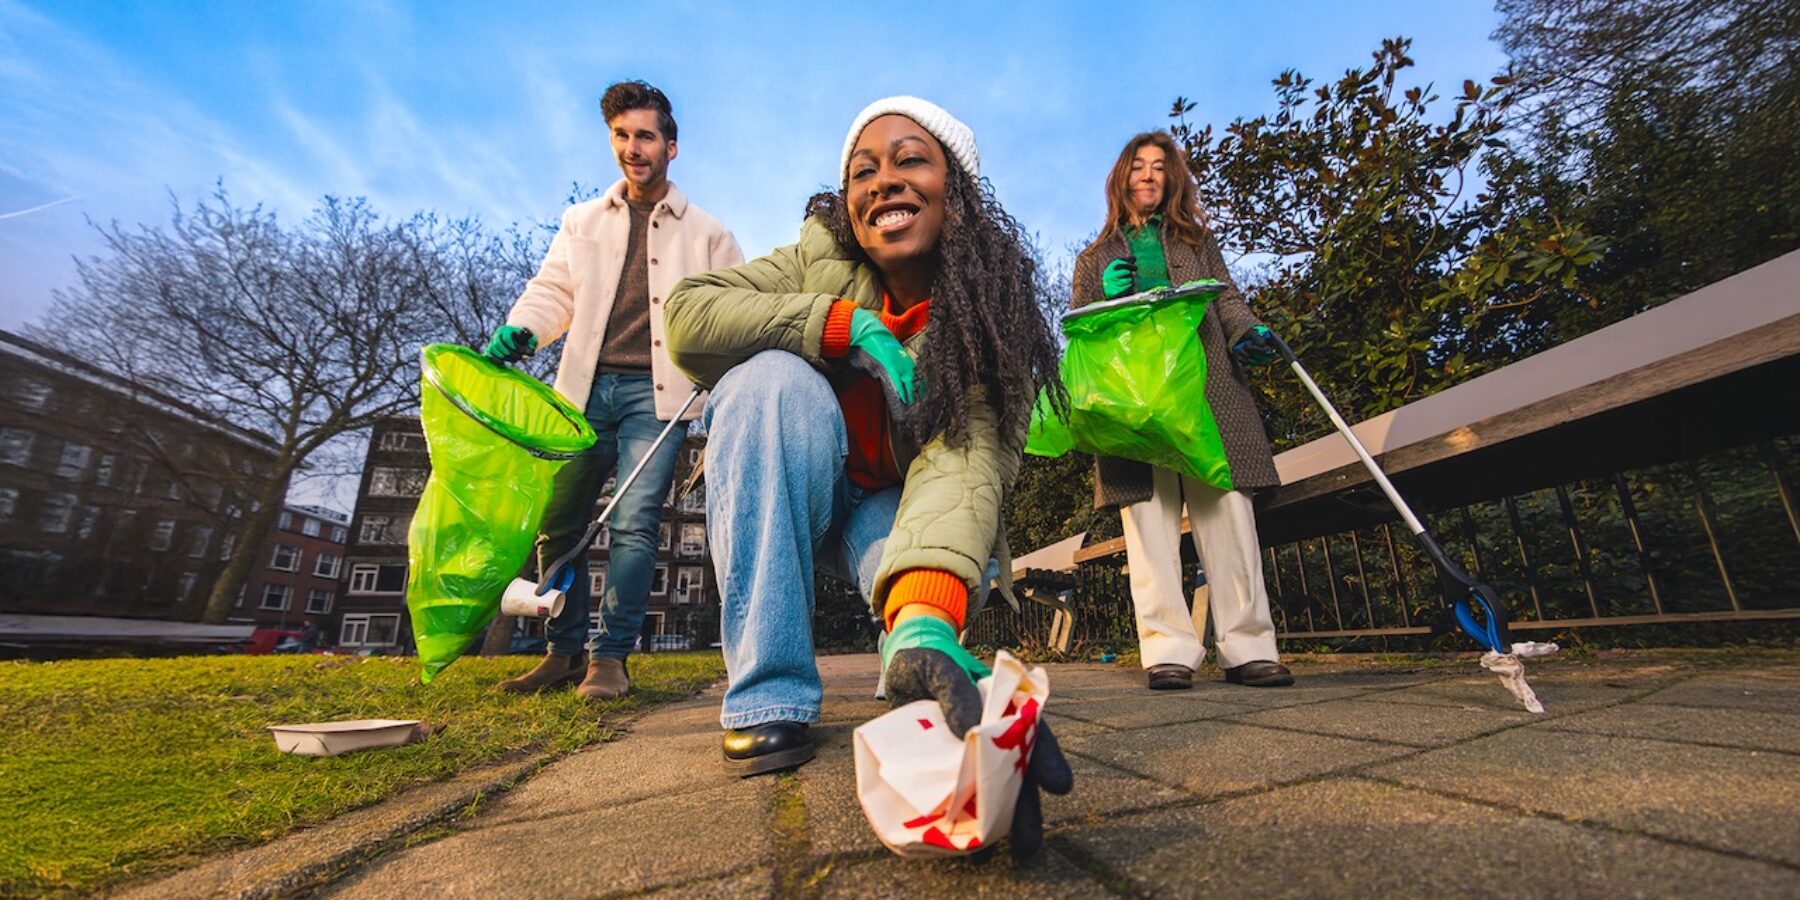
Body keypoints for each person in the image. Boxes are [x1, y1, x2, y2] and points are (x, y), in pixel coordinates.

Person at [665, 96, 1072, 852]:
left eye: (910, 160)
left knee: (917, 585)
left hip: (894, 508)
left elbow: (963, 472)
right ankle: (767, 699)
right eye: (863, 170)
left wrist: (922, 618)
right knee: (765, 381)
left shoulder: (991, 317)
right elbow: (689, 316)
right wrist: (833, 323)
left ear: (958, 192)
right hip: (795, 486)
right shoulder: (816, 259)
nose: (883, 180)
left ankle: (913, 659)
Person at [488, 80, 743, 700]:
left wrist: (719, 378)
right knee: (560, 522)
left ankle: (610, 659)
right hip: (579, 394)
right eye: (622, 136)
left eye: (646, 136)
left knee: (633, 524)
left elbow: (735, 310)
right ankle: (563, 651)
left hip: (656, 399)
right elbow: (554, 290)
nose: (634, 148)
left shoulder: (708, 234)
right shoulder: (582, 222)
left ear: (671, 147)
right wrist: (524, 329)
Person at [1070, 131, 1294, 690]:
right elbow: (1078, 329)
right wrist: (1103, 295)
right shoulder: (1093, 258)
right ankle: (1167, 650)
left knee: (1228, 513)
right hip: (1134, 403)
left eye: (1159, 168)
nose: (1148, 175)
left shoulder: (1196, 242)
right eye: (1138, 167)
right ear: (1121, 179)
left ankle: (1249, 648)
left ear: (1172, 180)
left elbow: (1226, 297)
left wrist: (1246, 331)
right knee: (1149, 523)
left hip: (1206, 390)